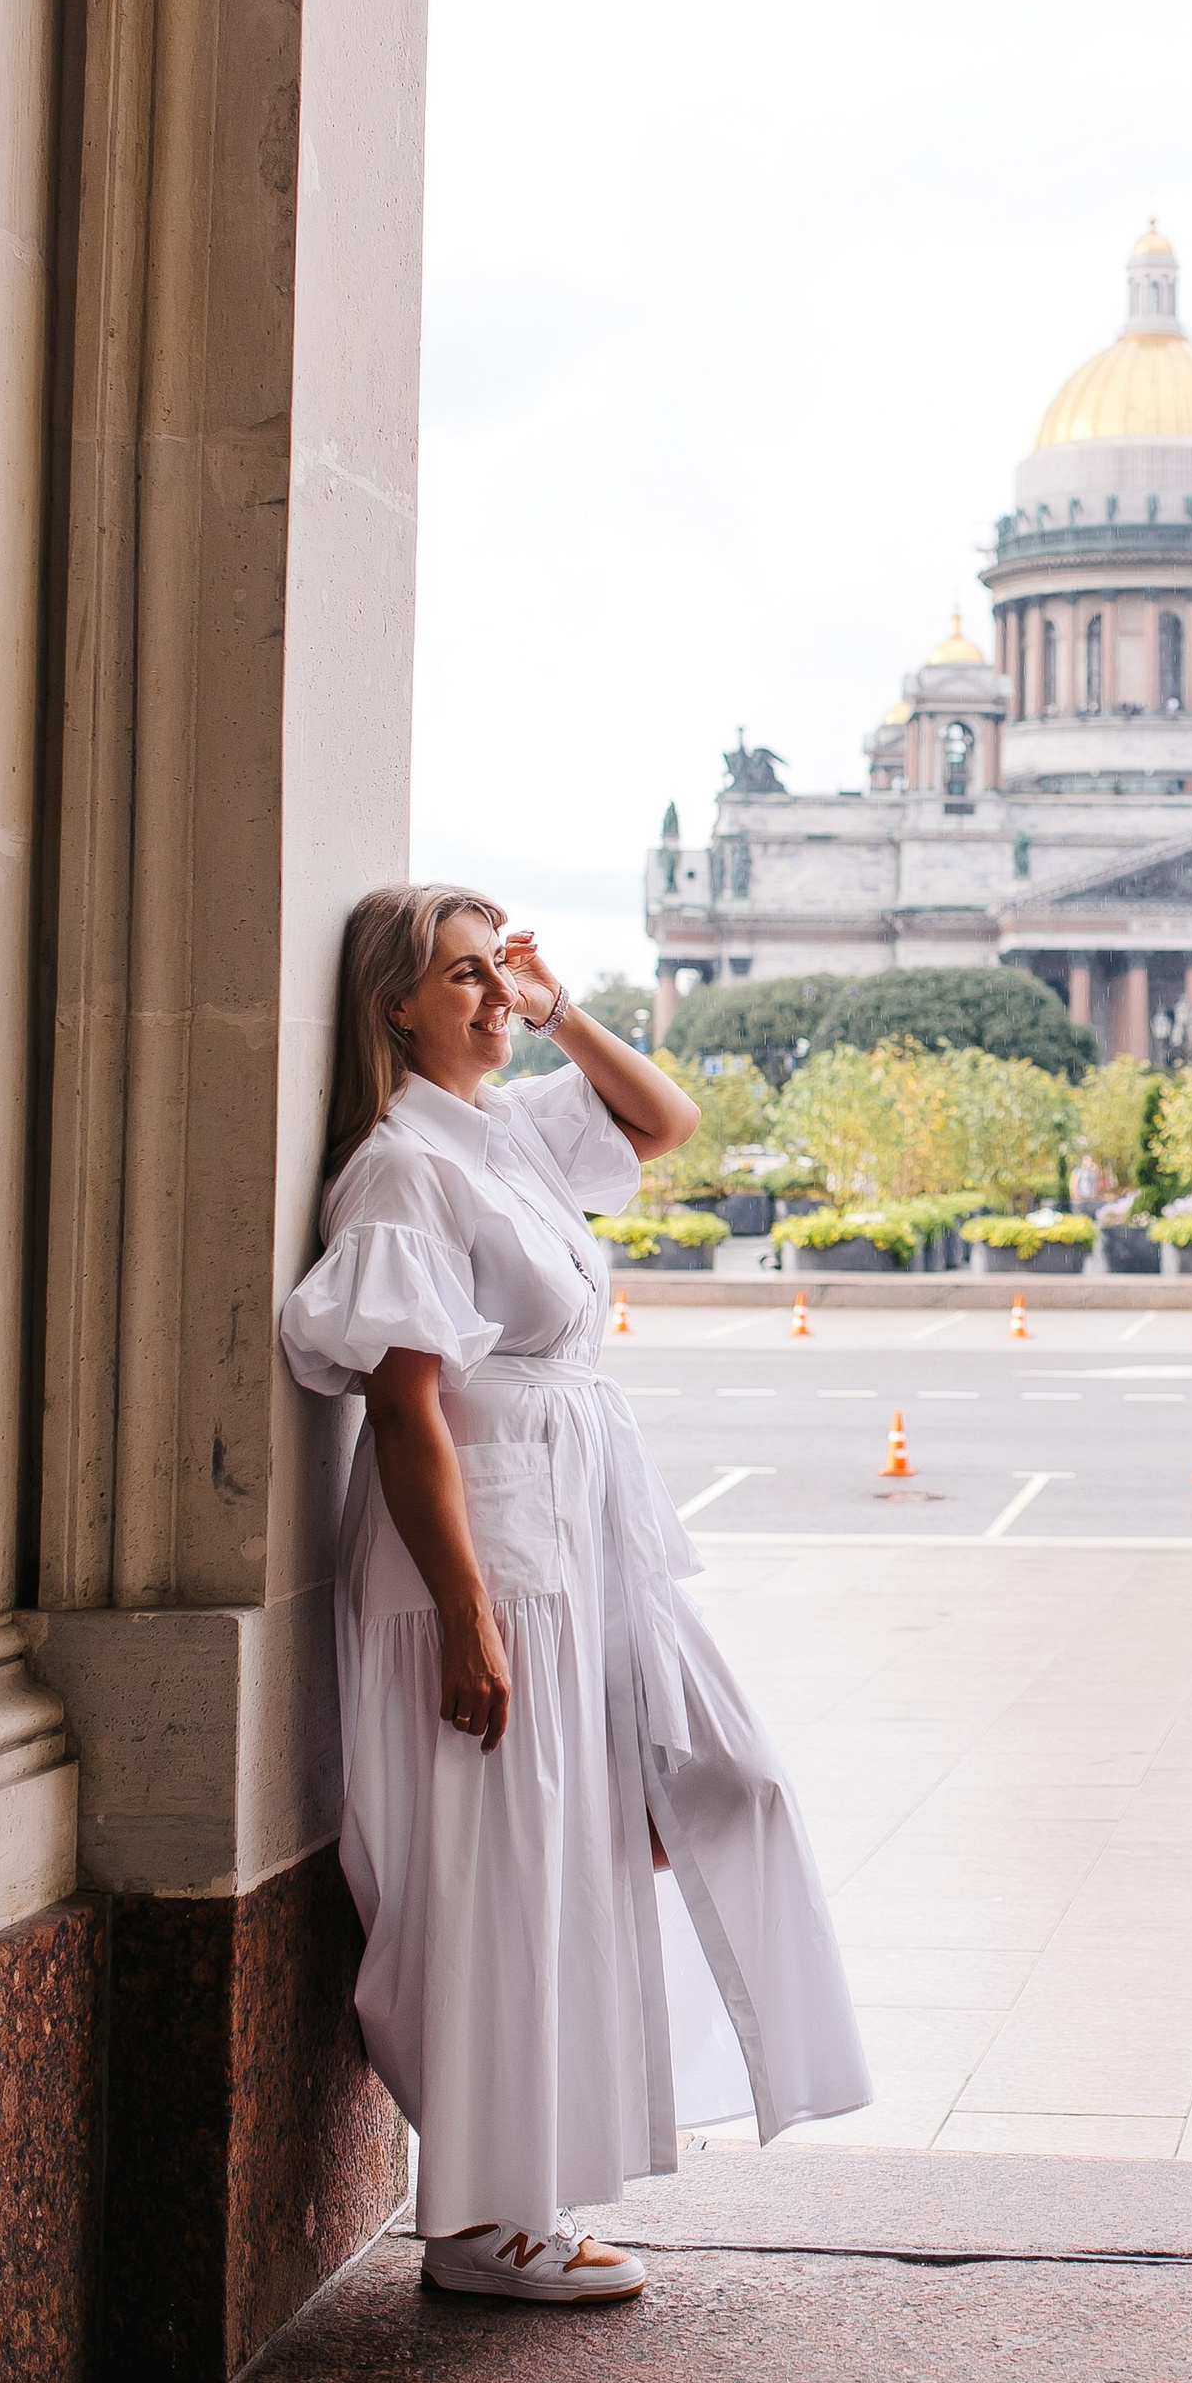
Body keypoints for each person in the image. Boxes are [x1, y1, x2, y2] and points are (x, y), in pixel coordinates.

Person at [280, 888, 871, 2307]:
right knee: (495, 1872)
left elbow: (665, 1122)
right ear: (395, 1006)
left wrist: (554, 1007)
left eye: (499, 973)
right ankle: (485, 2226)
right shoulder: (402, 1168)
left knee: (703, 1790)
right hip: (486, 1556)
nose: (493, 997)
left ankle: (525, 2189)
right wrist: (466, 1612)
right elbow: (405, 1408)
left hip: (578, 1536)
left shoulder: (508, 1135)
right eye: (464, 978)